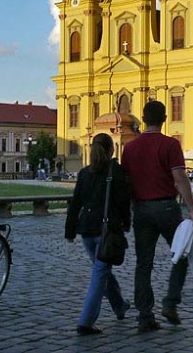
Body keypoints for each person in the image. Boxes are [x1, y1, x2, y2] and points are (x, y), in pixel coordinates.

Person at [121, 100, 193, 333]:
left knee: (143, 263)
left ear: (143, 120)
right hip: (166, 208)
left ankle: (145, 316)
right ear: (164, 119)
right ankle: (170, 303)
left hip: (141, 210)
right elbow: (180, 178)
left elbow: (126, 182)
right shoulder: (170, 144)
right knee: (181, 254)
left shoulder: (130, 148)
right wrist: (192, 209)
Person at [65, 133, 132, 335]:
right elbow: (123, 202)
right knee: (99, 275)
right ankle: (85, 321)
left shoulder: (84, 173)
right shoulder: (116, 172)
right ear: (112, 149)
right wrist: (126, 224)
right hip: (107, 231)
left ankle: (119, 305)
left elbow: (75, 204)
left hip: (87, 232)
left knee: (102, 271)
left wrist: (70, 230)